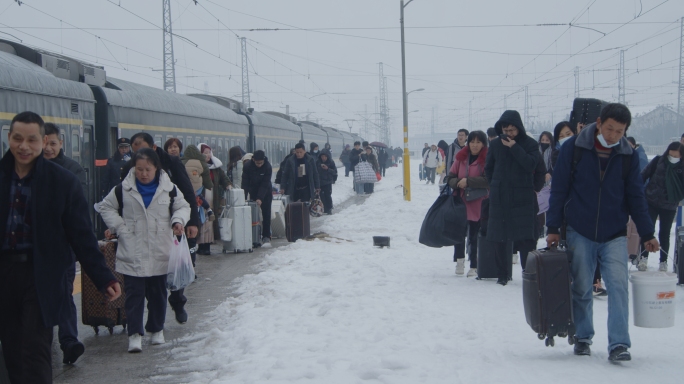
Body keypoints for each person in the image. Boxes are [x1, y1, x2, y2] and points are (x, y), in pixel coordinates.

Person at [0, 112, 121, 382]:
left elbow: (80, 234)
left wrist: (103, 277)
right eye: (18, 139)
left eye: (31, 140)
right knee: (11, 352)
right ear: (9, 138)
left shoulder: (62, 182)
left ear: (43, 142)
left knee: (34, 350)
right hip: (5, 274)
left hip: (40, 275)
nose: (24, 146)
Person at [547, 103, 659, 362]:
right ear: (599, 123)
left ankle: (619, 343)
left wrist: (647, 232)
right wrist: (553, 227)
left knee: (619, 287)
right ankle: (583, 337)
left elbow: (635, 196)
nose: (613, 135)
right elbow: (559, 189)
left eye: (619, 131)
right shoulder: (574, 148)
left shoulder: (627, 155)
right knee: (583, 286)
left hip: (615, 232)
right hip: (580, 228)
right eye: (609, 129)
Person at [100, 148, 190, 353]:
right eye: (139, 169)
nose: (143, 173)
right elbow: (106, 207)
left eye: (147, 169)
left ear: (156, 168)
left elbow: (183, 207)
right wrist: (119, 227)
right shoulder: (123, 189)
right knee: (134, 295)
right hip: (133, 250)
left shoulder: (169, 188)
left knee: (158, 294)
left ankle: (156, 329)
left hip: (160, 249)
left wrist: (178, 221)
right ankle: (134, 334)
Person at [119, 132, 199, 324]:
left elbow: (188, 193)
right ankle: (153, 314)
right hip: (143, 230)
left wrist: (193, 222)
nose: (139, 158)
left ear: (153, 148)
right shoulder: (130, 170)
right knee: (150, 275)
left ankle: (178, 301)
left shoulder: (172, 164)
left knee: (175, 265)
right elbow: (122, 200)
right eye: (136, 153)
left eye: (143, 152)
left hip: (173, 225)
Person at [43, 123, 88, 364]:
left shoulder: (72, 170)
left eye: (53, 143)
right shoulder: (27, 169)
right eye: (45, 142)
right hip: (36, 247)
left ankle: (69, 342)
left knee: (64, 292)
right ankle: (43, 342)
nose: (48, 148)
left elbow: (76, 209)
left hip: (62, 245)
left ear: (61, 143)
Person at [485, 110, 540, 286]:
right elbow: (489, 168)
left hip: (522, 196)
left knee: (526, 238)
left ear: (519, 129)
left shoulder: (530, 144)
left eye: (511, 130)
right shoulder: (495, 145)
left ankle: (528, 272)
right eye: (505, 130)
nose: (508, 134)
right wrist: (495, 184)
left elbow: (531, 164)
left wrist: (514, 147)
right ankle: (502, 273)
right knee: (500, 236)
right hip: (500, 195)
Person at [445, 130, 489, 277]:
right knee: (459, 232)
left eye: (478, 142)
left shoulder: (487, 159)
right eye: (472, 142)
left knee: (475, 234)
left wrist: (469, 181)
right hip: (461, 201)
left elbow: (488, 179)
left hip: (478, 201)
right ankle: (459, 260)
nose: (474, 145)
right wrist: (457, 183)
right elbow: (450, 177)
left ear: (483, 143)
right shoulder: (461, 158)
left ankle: (474, 264)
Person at [639, 142, 684, 272]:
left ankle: (663, 261)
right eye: (671, 154)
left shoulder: (682, 167)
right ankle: (643, 258)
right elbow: (643, 175)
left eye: (676, 156)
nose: (673, 157)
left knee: (665, 233)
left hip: (669, 205)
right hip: (651, 201)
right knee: (648, 231)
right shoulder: (658, 161)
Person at [181, 144, 213, 269]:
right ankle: (191, 264)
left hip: (182, 200)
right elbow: (208, 183)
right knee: (193, 234)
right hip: (197, 200)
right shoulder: (202, 164)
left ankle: (184, 261)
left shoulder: (181, 163)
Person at [198, 143, 229, 255]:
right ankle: (201, 245)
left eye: (209, 153)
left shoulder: (215, 167)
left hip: (212, 198)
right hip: (201, 197)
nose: (207, 155)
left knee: (209, 222)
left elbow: (223, 178)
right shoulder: (197, 166)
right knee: (201, 221)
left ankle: (207, 246)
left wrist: (227, 185)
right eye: (205, 153)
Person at [242, 150, 273, 245]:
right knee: (254, 215)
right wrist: (243, 196)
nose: (259, 165)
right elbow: (245, 183)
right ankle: (254, 236)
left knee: (266, 213)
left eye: (261, 163)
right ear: (253, 159)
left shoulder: (268, 167)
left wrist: (260, 198)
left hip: (266, 192)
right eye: (257, 163)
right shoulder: (247, 167)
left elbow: (265, 184)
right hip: (253, 191)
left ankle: (266, 236)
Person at [316, 149, 338, 214]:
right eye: (322, 156)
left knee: (328, 195)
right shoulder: (317, 162)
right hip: (320, 182)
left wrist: (328, 169)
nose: (324, 158)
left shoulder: (331, 162)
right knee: (321, 196)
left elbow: (335, 172)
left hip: (328, 182)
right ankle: (323, 208)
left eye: (325, 156)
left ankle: (329, 208)